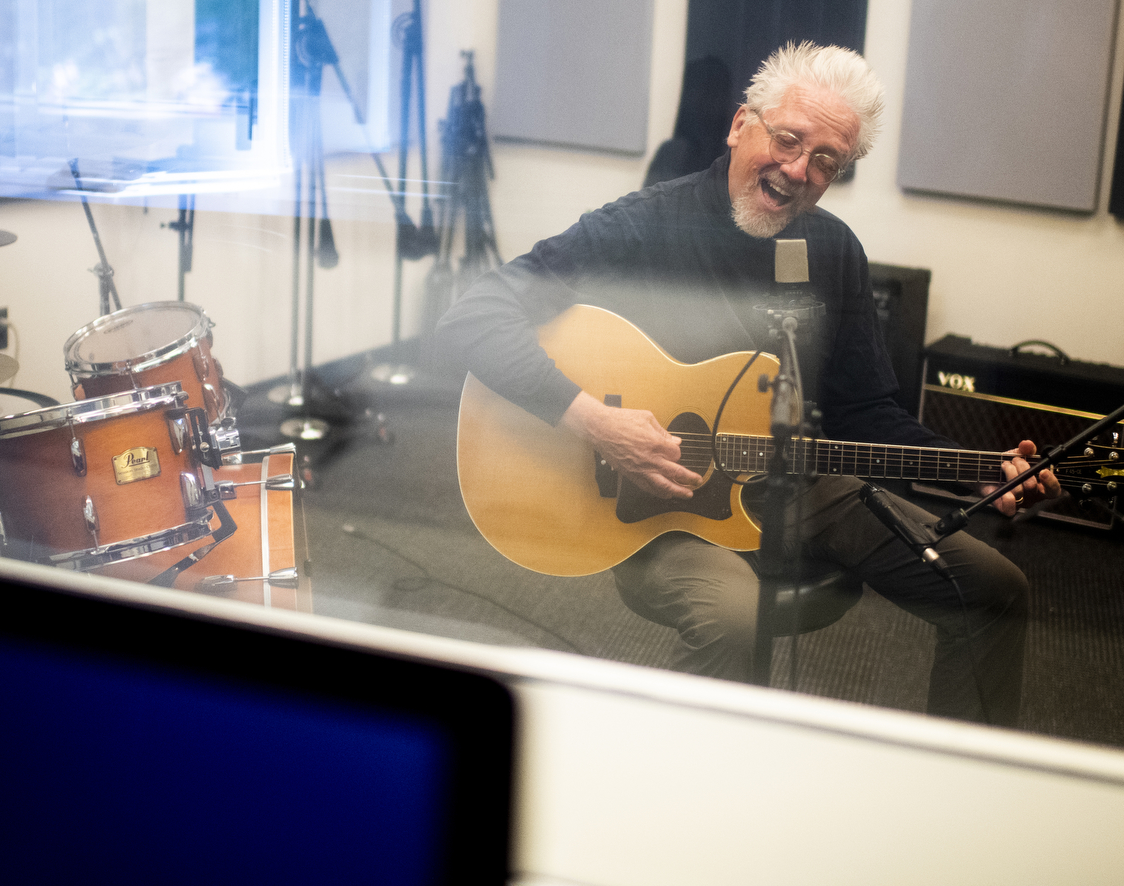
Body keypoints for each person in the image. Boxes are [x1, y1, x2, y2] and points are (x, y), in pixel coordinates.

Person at [435, 42, 1060, 726]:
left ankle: (965, 798)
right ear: (741, 125)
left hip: (790, 480)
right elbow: (475, 313)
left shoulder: (833, 250)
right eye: (788, 140)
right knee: (738, 616)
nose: (798, 169)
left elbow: (864, 412)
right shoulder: (643, 226)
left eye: (826, 160)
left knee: (994, 588)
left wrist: (977, 472)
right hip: (652, 501)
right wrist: (593, 420)